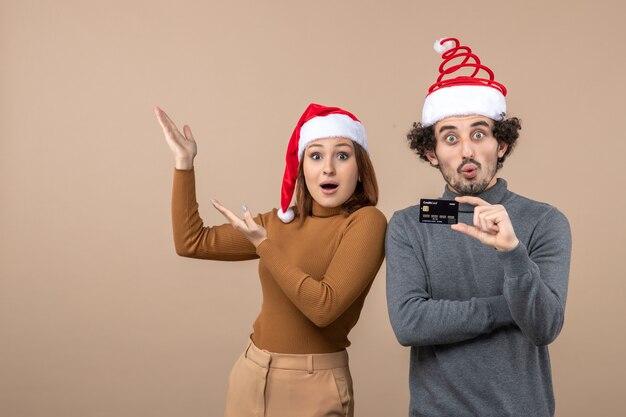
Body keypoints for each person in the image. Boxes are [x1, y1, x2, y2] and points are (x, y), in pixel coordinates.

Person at [155, 103, 386, 417]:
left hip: (313, 385)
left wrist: (264, 246)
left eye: (342, 155)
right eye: (316, 155)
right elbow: (192, 242)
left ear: (360, 168)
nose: (328, 168)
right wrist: (184, 164)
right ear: (301, 167)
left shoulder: (366, 223)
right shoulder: (279, 222)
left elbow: (323, 307)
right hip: (251, 372)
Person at [385, 37, 572, 417]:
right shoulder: (409, 224)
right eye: (450, 137)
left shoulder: (545, 221)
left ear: (500, 144)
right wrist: (507, 308)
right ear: (431, 152)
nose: (466, 151)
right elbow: (409, 323)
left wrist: (512, 253)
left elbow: (543, 326)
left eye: (479, 134)